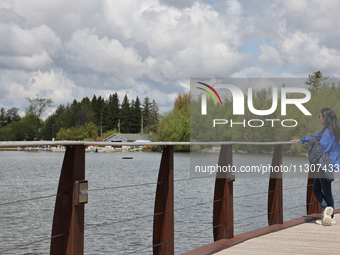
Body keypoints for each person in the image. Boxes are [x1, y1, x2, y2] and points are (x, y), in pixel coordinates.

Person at [290, 108, 340, 226]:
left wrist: (311, 141)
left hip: (325, 163)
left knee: (323, 189)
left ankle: (328, 214)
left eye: (320, 116)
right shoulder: (331, 130)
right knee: (319, 188)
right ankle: (328, 213)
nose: (319, 118)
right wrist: (301, 140)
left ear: (325, 118)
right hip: (329, 163)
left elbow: (322, 144)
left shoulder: (328, 132)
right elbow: (315, 136)